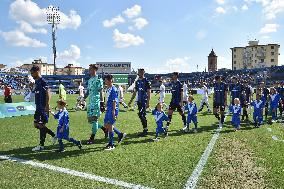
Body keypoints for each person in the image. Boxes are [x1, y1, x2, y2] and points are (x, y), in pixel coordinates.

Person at [30, 65, 56, 151]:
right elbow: (34, 92)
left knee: (41, 125)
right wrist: (31, 86)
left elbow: (48, 92)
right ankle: (54, 135)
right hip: (38, 107)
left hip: (42, 107)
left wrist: (47, 105)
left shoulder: (42, 81)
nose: (32, 75)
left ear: (37, 71)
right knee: (36, 125)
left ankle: (41, 145)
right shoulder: (36, 82)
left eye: (32, 73)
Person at [85, 64, 107, 144]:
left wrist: (102, 102)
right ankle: (105, 129)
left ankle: (92, 138)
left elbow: (101, 91)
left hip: (96, 103)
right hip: (90, 103)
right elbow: (88, 91)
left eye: (90, 69)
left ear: (94, 70)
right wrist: (83, 98)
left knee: (94, 120)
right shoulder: (90, 80)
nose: (89, 70)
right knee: (92, 121)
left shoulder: (99, 79)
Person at [104, 75, 126, 150]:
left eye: (106, 80)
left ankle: (111, 144)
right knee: (106, 125)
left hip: (112, 109)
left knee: (109, 126)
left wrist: (113, 111)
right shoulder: (108, 88)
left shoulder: (113, 89)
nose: (105, 81)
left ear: (110, 80)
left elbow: (114, 101)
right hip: (108, 109)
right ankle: (120, 134)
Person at [128, 68, 151, 136]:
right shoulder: (137, 81)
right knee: (141, 115)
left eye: (141, 72)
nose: (139, 73)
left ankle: (145, 130)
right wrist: (130, 101)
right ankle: (145, 129)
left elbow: (149, 92)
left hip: (144, 101)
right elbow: (135, 92)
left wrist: (148, 102)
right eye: (138, 72)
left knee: (141, 115)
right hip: (139, 101)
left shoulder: (146, 81)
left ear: (143, 73)